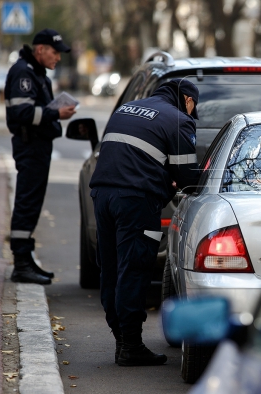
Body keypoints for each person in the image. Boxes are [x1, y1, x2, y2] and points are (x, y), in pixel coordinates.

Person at [89, 79, 201, 367]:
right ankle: (131, 345)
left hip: (102, 195)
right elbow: (188, 177)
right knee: (134, 267)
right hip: (136, 201)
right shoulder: (178, 119)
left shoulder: (127, 108)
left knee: (111, 267)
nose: (192, 115)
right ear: (187, 100)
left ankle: (121, 338)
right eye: (193, 108)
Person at [5, 29, 77, 285]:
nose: (58, 58)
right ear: (40, 50)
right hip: (30, 146)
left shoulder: (36, 73)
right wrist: (55, 114)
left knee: (32, 204)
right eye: (55, 52)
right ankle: (21, 264)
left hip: (38, 147)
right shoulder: (24, 72)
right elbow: (22, 112)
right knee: (27, 203)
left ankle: (26, 259)